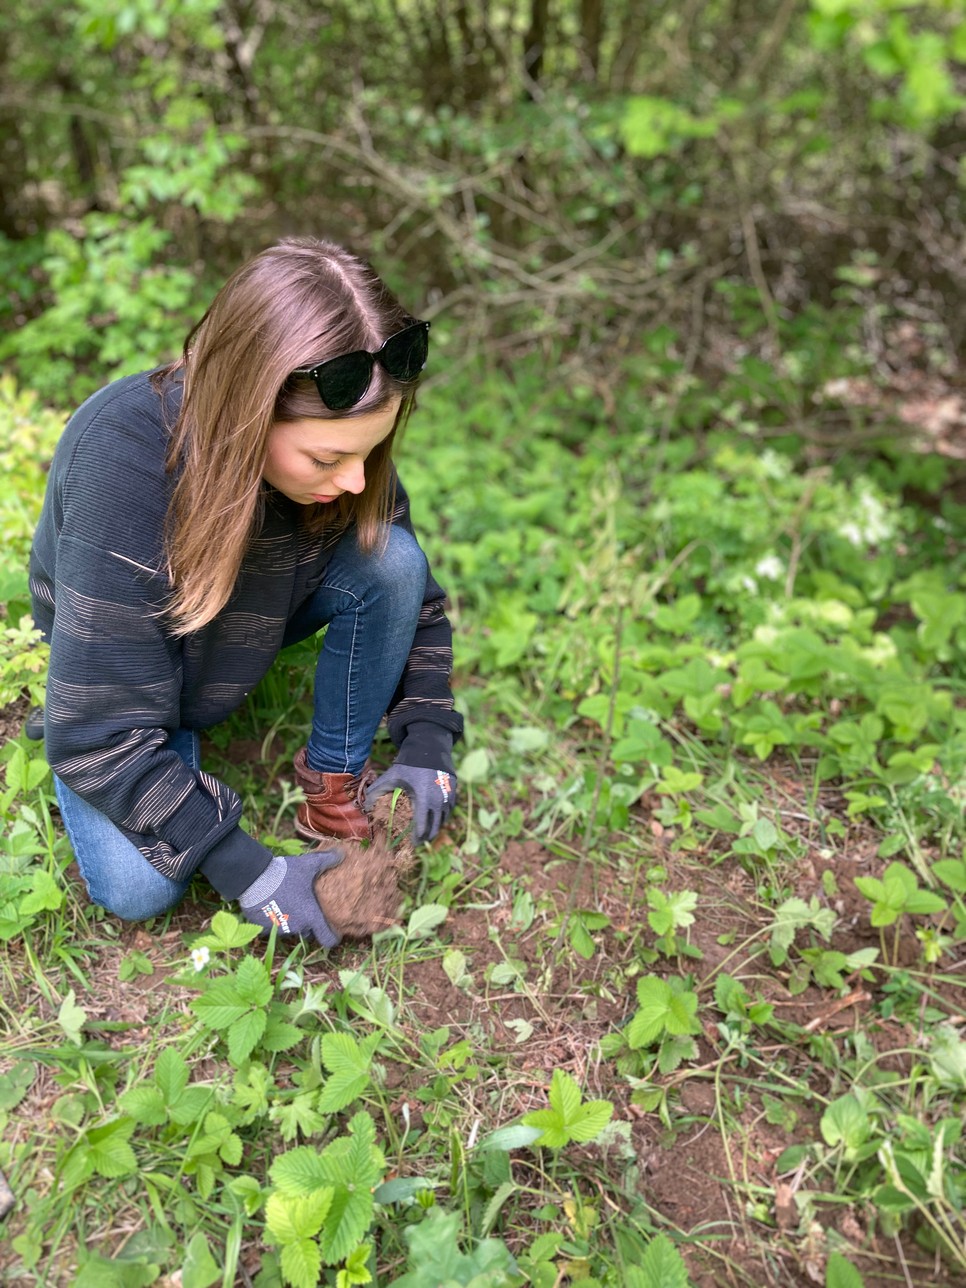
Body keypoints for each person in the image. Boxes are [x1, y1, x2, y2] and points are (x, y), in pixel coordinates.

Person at [28, 237, 463, 949]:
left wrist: (427, 740)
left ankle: (332, 787)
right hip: (126, 672)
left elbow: (412, 599)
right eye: (328, 457)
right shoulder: (124, 461)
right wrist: (252, 872)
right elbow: (93, 734)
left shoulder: (339, 464)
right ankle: (168, 743)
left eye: (370, 453)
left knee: (391, 560)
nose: (355, 480)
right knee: (139, 889)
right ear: (248, 410)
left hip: (243, 614)